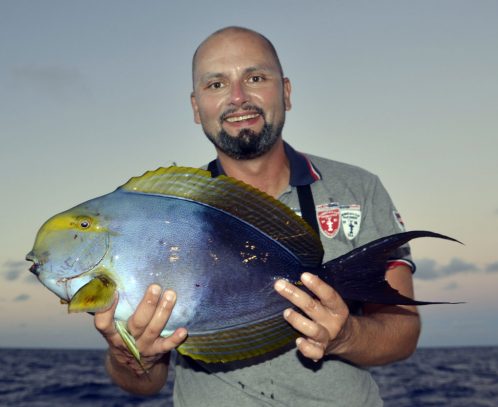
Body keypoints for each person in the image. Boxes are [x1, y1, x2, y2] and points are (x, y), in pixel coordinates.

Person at [94, 26, 421, 406]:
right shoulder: (166, 217)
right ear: (196, 108)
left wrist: (346, 335)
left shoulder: (357, 188)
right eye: (216, 84)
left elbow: (403, 331)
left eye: (255, 78)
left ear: (286, 92)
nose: (238, 97)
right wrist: (130, 355)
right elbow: (144, 384)